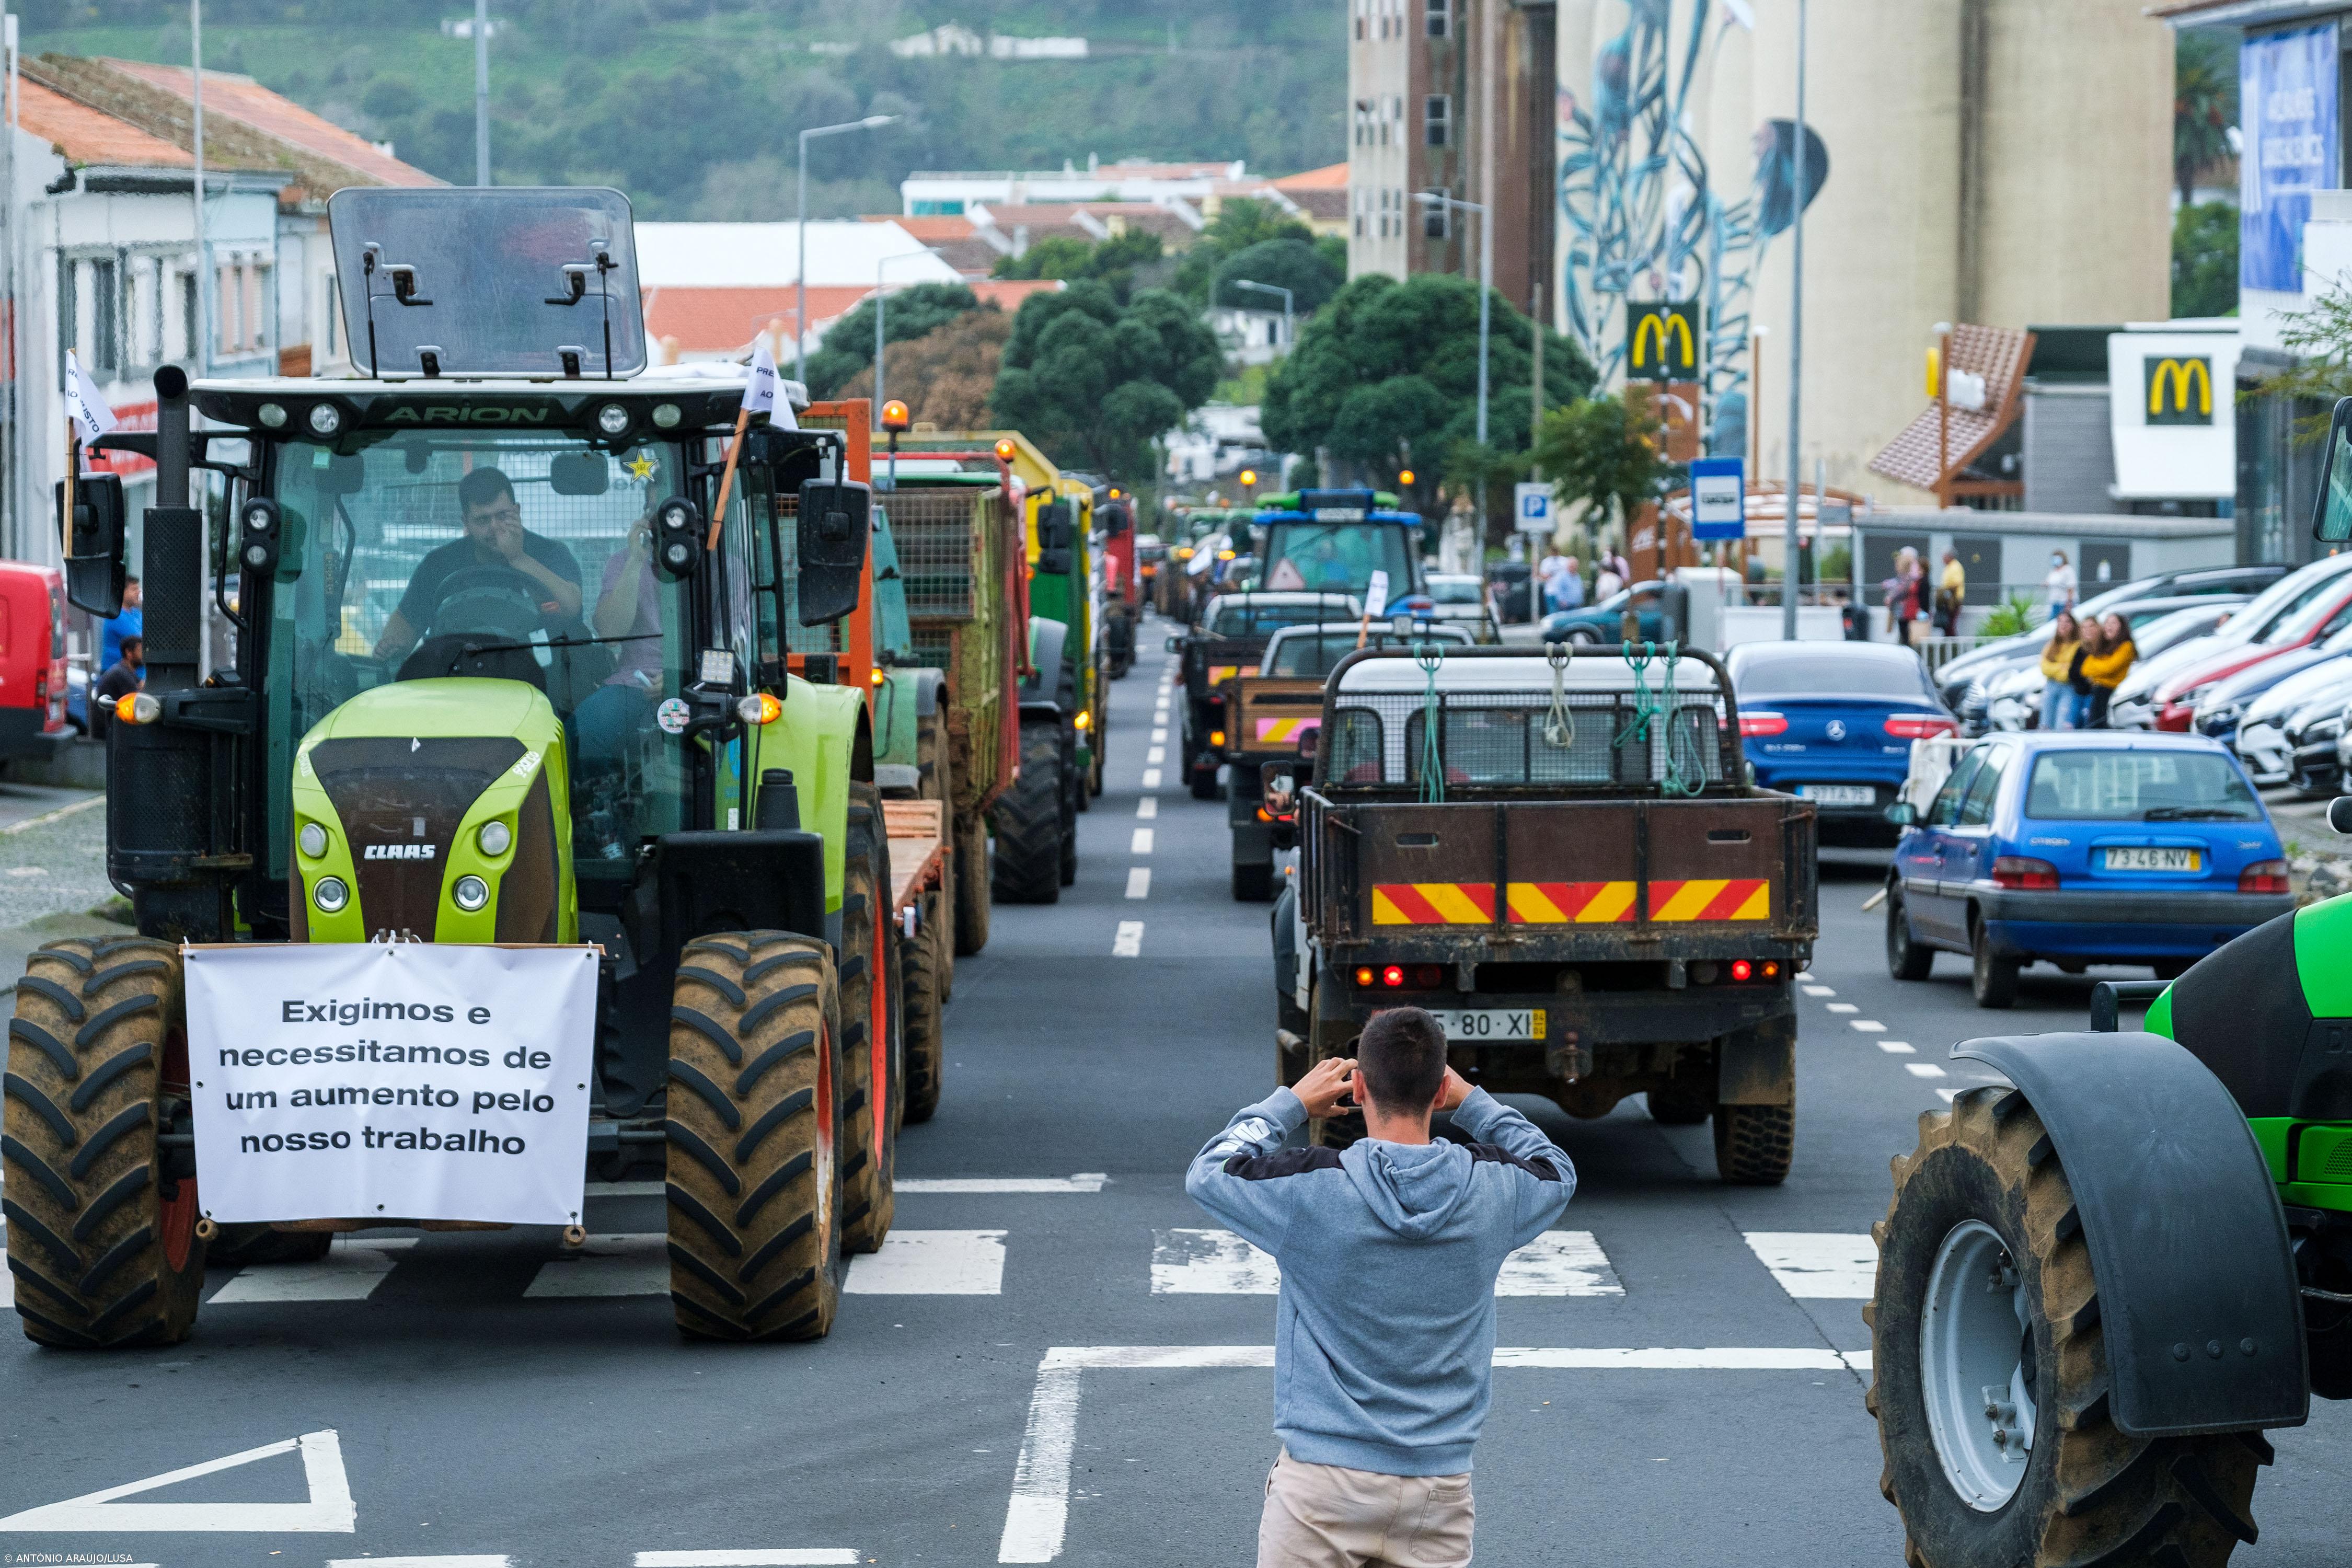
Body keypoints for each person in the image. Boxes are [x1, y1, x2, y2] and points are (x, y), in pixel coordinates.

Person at [1185, 1007, 1576, 1568]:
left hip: (1322, 1486)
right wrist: (1475, 1102)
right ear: (1440, 1090)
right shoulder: (1494, 1191)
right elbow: (1555, 1167)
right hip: (1438, 1489)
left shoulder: (1310, 1191)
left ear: (1359, 1085)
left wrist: (1290, 1103)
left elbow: (1210, 1171)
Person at [372, 467, 583, 664]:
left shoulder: (551, 553)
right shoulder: (439, 564)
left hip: (543, 678)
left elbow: (570, 608)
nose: (495, 528)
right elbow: (405, 624)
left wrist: (518, 559)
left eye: (502, 516)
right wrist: (391, 647)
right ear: (466, 522)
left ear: (517, 511)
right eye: (483, 520)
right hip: (457, 677)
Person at [2080, 611, 2136, 728]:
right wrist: (2101, 670)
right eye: (2107, 623)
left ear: (2122, 627)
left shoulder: (2126, 647)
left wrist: (2098, 672)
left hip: (2111, 693)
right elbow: (2085, 668)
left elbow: (2110, 668)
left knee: (2101, 726)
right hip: (2098, 692)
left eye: (2114, 623)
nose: (2109, 626)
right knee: (2092, 725)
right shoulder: (2103, 646)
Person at [91, 635, 143, 740]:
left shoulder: (125, 670)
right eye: (140, 650)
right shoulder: (121, 674)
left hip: (112, 727)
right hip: (109, 732)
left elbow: (141, 686)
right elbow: (138, 701)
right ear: (129, 653)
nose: (144, 654)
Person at [2037, 609, 2082, 730]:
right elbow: (2044, 667)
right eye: (2060, 622)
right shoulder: (2052, 645)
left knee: (2062, 724)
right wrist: (2061, 667)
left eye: (2067, 622)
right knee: (2045, 724)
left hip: (2069, 687)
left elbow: (2070, 672)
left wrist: (2058, 669)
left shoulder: (2078, 645)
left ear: (2073, 625)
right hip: (2051, 686)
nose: (2063, 625)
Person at [100, 577, 142, 674]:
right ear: (121, 592)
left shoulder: (136, 614)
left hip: (137, 674)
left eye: (138, 589)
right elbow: (139, 638)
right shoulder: (115, 615)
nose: (138, 592)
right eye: (134, 589)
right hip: (117, 674)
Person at [1935, 550, 1966, 637]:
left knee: (1950, 625)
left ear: (1949, 557)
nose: (1943, 559)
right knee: (1947, 625)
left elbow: (1956, 583)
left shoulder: (1955, 567)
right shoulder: (1950, 567)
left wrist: (1945, 590)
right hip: (1949, 601)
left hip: (1953, 601)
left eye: (1944, 557)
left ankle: (1953, 647)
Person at [2043, 549, 2078, 617]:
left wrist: (2069, 602)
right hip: (2054, 601)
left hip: (2064, 602)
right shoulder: (2053, 571)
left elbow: (2071, 587)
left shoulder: (2068, 570)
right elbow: (2049, 582)